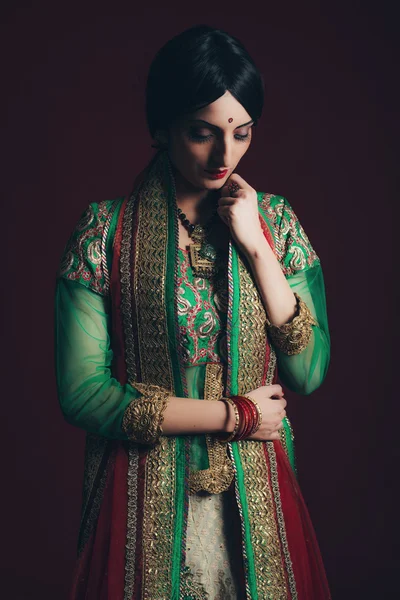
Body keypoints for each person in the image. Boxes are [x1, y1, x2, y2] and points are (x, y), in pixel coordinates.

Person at [55, 23, 331, 600]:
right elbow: (83, 393)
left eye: (241, 133)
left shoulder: (276, 224)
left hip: (255, 507)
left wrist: (256, 245)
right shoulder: (104, 232)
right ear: (162, 129)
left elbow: (307, 373)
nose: (224, 155)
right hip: (141, 501)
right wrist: (236, 417)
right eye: (202, 133)